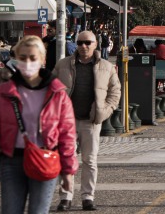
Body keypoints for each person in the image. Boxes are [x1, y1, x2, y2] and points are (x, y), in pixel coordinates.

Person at [0, 35, 78, 214]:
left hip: (45, 159)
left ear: (42, 59)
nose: (28, 62)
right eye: (23, 58)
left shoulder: (57, 93)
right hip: (12, 161)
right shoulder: (2, 93)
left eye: (33, 58)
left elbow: (67, 134)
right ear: (16, 59)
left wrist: (68, 170)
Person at [54, 30, 121, 211]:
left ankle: (87, 197)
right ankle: (65, 197)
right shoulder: (63, 65)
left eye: (87, 42)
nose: (83, 46)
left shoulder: (106, 66)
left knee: (89, 160)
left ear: (96, 44)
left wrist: (104, 111)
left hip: (91, 121)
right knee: (66, 159)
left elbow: (115, 92)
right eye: (80, 42)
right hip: (67, 121)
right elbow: (51, 89)